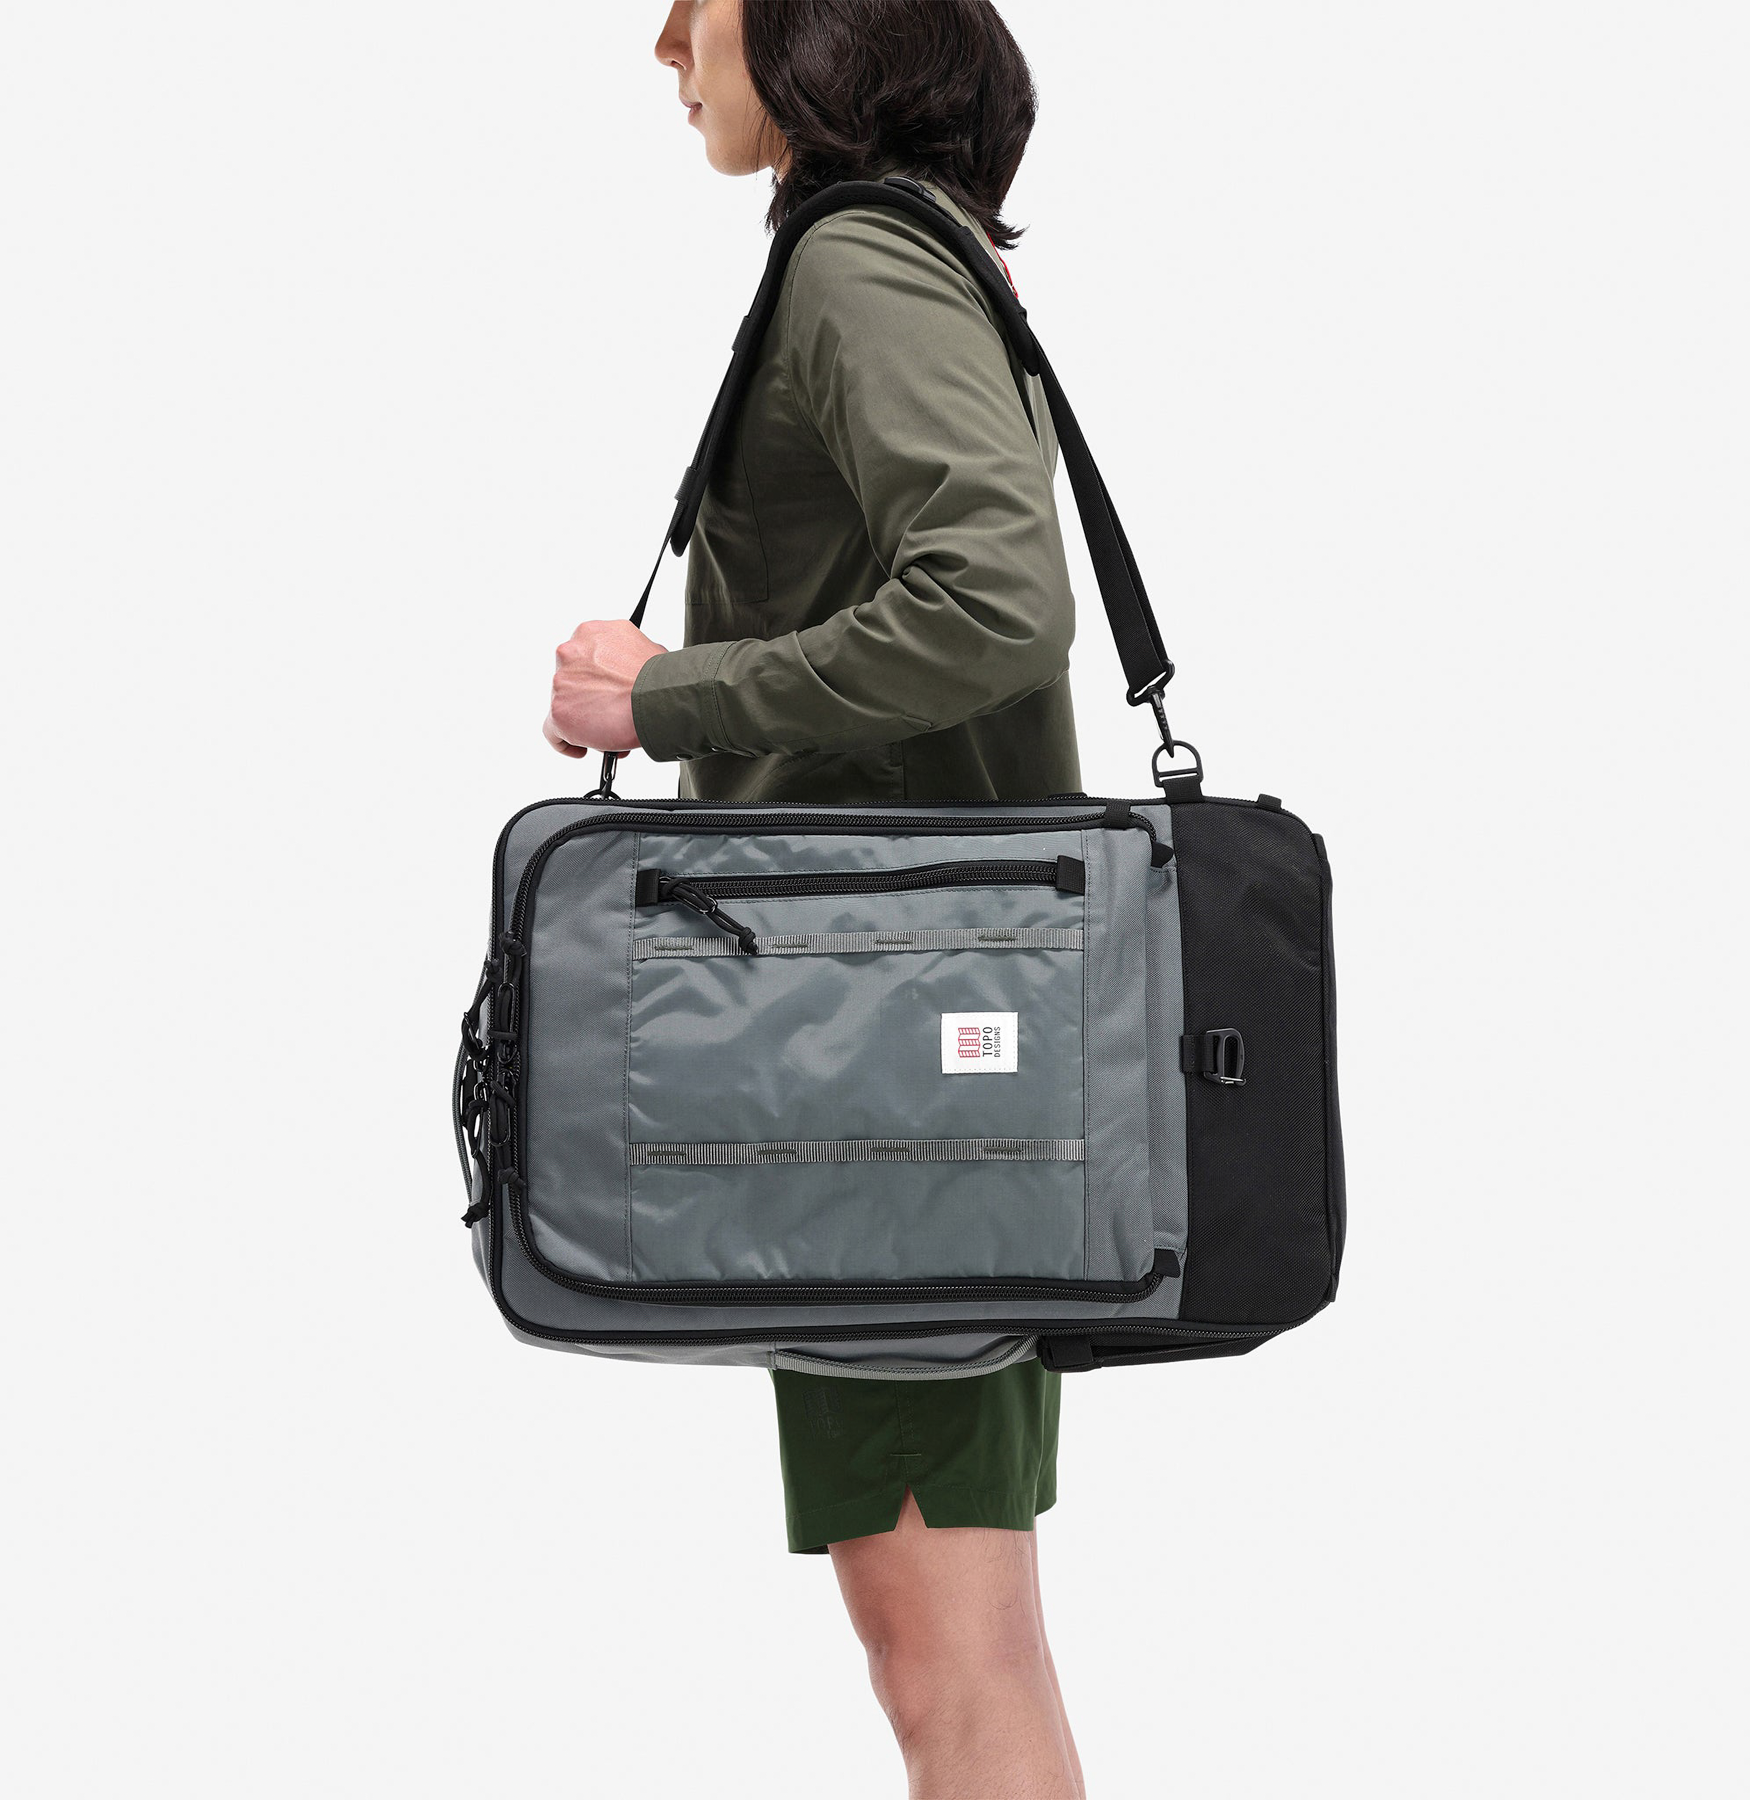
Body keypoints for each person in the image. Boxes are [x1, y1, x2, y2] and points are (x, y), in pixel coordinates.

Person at [545, 4, 1086, 1793]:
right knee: (960, 1651)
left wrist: (668, 697)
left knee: (951, 1667)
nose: (661, 40)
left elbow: (996, 599)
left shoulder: (858, 259)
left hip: (893, 1061)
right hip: (915, 1043)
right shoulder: (887, 253)